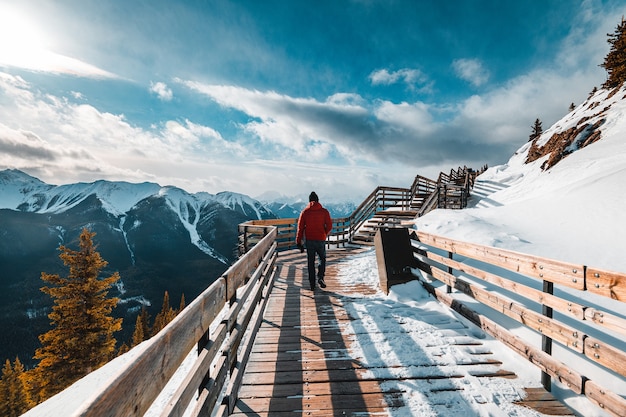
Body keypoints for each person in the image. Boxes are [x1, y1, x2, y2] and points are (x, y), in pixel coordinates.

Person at [296, 192, 332, 291]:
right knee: (322, 259)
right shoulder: (324, 212)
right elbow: (329, 226)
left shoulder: (305, 212)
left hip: (309, 240)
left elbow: (300, 229)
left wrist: (298, 242)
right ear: (318, 200)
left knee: (310, 262)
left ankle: (312, 284)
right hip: (320, 239)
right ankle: (320, 277)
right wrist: (324, 233)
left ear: (309, 201)